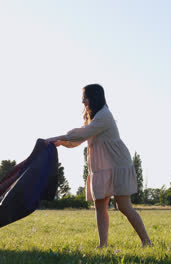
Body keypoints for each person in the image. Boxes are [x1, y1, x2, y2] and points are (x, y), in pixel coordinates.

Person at [47, 84, 152, 248]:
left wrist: (57, 137)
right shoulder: (94, 117)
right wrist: (61, 142)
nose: (83, 101)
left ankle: (147, 241)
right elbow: (79, 139)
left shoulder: (104, 116)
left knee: (124, 206)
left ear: (94, 97)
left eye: (85, 97)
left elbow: (81, 134)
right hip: (101, 166)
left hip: (118, 164)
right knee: (100, 206)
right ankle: (103, 245)